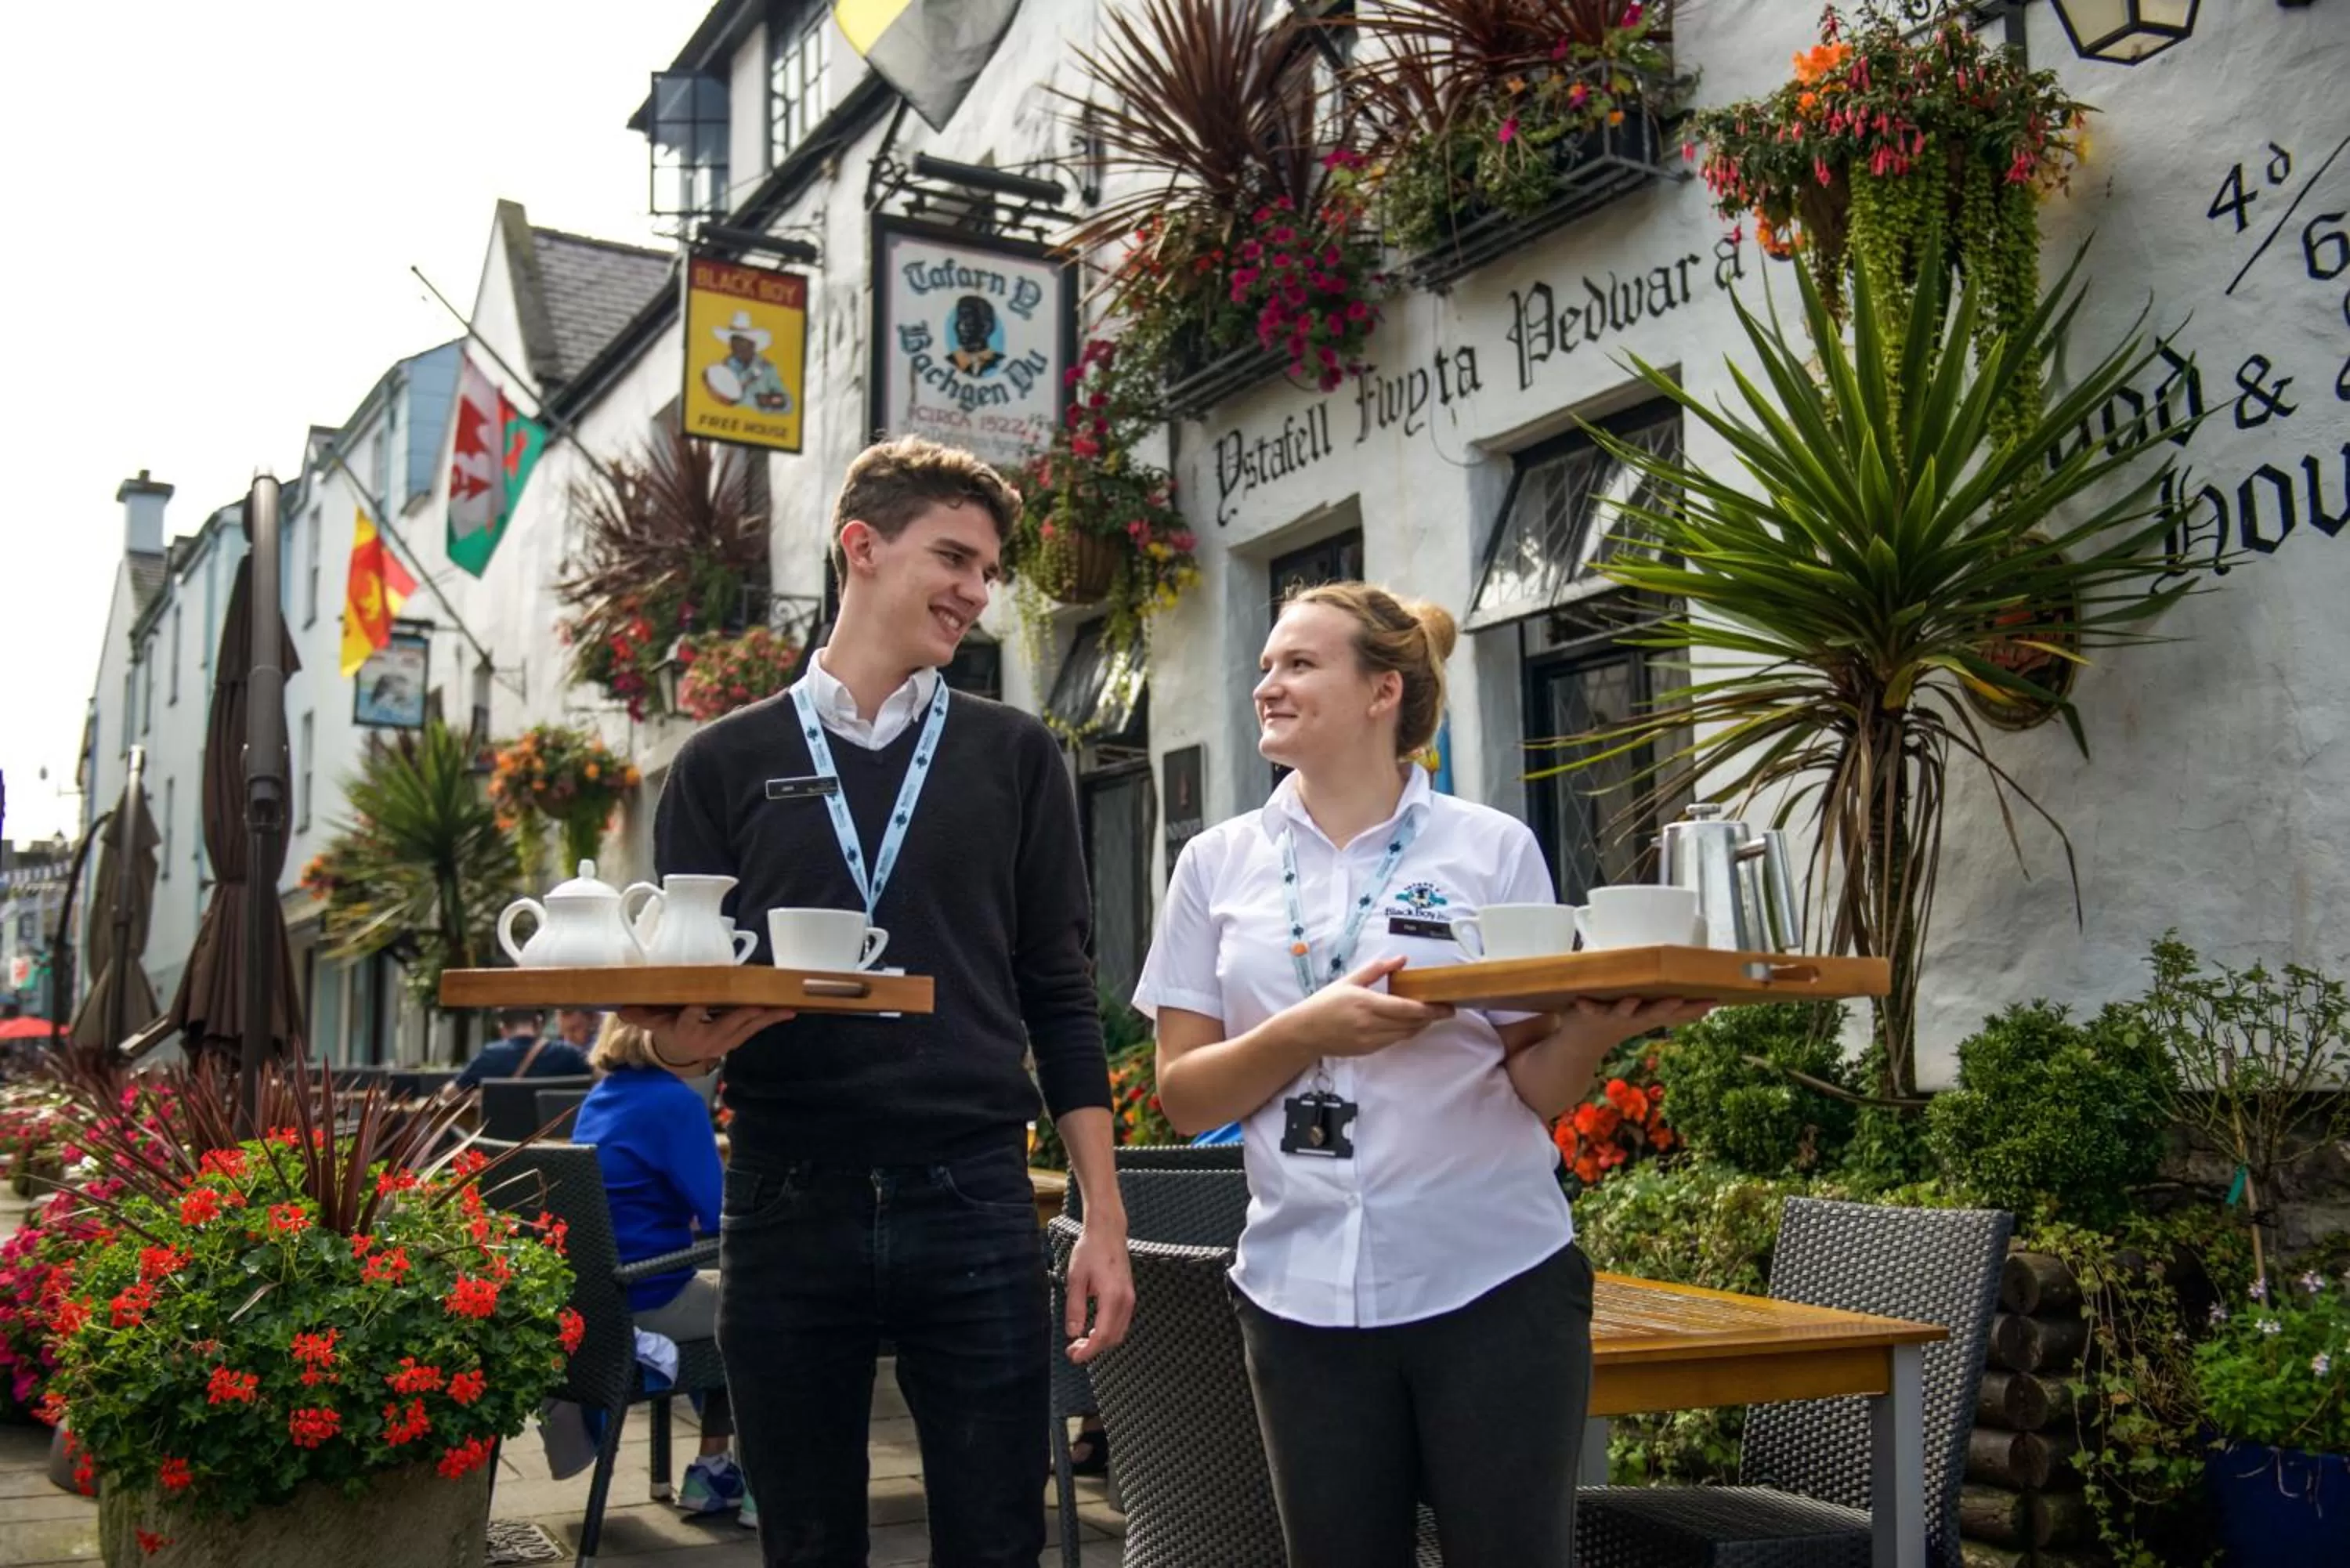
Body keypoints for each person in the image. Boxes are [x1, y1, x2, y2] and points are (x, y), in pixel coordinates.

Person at [622, 434, 1134, 1568]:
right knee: (804, 1543)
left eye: (988, 570)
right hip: (785, 1194)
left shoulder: (1017, 755)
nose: (977, 591)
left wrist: (1103, 1217)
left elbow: (1060, 995)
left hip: (975, 1193)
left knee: (997, 1541)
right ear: (862, 546)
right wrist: (680, 1047)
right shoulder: (719, 762)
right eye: (954, 557)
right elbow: (677, 1015)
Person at [1134, 583, 1714, 1568]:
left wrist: (1592, 1031)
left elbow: (1538, 1084)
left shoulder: (1490, 849)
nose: (1267, 684)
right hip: (1298, 1295)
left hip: (1493, 1282)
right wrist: (1306, 1031)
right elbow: (1185, 1096)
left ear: (1382, 692)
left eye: (1299, 663)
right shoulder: (1214, 864)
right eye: (1267, 665)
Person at [570, 1018, 753, 1527]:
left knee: (730, 1299)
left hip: (603, 1299)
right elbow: (721, 1213)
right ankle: (767, 1484)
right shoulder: (675, 1104)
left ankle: (713, 1472)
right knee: (770, 1309)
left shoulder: (602, 1097)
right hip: (651, 1295)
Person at [454, 1006, 594, 1091]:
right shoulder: (569, 1054)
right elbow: (599, 1081)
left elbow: (449, 1094)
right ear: (539, 1023)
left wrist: (475, 1096)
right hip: (557, 1132)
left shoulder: (489, 1055)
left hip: (501, 1133)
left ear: (502, 1029)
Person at [704, 310, 794, 413]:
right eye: (733, 341)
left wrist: (770, 401)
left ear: (752, 344)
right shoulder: (724, 368)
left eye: (741, 341)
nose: (736, 345)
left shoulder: (767, 369)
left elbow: (787, 404)